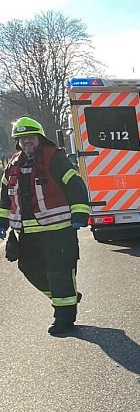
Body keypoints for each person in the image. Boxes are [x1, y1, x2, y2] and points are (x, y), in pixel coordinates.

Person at [0, 117, 90, 335]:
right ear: (17, 142)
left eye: (30, 137)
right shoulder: (13, 164)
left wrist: (80, 214)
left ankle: (64, 319)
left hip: (58, 231)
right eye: (22, 138)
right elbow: (4, 197)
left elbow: (76, 186)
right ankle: (65, 299)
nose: (26, 141)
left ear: (39, 138)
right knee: (29, 269)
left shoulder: (55, 158)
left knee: (59, 273)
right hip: (28, 233)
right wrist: (2, 222)